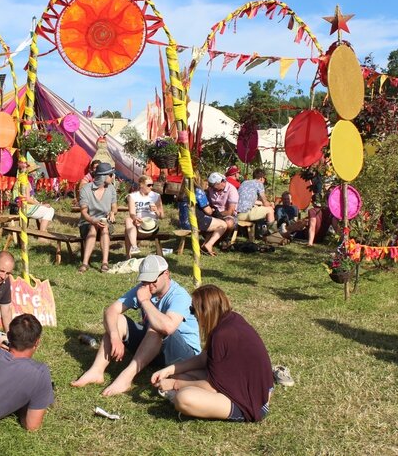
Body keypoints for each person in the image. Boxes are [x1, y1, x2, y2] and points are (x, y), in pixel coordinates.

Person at [71, 255, 201, 396]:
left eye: (153, 280)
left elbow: (167, 327)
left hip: (185, 357)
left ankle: (126, 377)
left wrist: (145, 301)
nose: (148, 285)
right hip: (155, 348)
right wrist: (115, 337)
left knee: (156, 327)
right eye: (145, 281)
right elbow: (111, 311)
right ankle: (96, 371)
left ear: (166, 274)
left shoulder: (179, 296)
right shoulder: (144, 288)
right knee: (118, 320)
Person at [151, 284, 273, 422]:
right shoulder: (231, 319)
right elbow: (204, 359)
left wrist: (175, 384)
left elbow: (212, 386)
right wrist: (169, 370)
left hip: (251, 402)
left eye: (193, 309)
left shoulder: (221, 335)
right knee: (180, 375)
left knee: (183, 399)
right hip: (252, 387)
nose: (192, 314)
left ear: (205, 310)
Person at [77, 162, 117, 273]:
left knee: (104, 227)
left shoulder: (111, 189)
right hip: (87, 223)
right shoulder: (86, 189)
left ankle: (104, 263)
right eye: (110, 175)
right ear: (103, 176)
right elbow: (84, 213)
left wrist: (112, 213)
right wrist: (93, 220)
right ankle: (85, 263)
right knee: (93, 227)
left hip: (105, 223)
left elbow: (114, 208)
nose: (112, 177)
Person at [124, 175, 164, 257]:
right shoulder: (133, 196)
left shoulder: (156, 196)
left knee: (127, 231)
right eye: (149, 185)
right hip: (139, 226)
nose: (151, 187)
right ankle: (134, 248)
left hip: (151, 226)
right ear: (141, 185)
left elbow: (162, 216)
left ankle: (129, 256)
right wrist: (135, 218)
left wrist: (156, 210)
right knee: (128, 220)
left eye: (152, 185)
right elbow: (132, 213)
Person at [13, 159, 55, 231]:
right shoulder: (25, 181)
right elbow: (28, 199)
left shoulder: (23, 180)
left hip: (24, 206)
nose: (36, 173)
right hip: (24, 207)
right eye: (34, 171)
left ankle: (42, 231)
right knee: (50, 210)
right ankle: (42, 234)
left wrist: (40, 203)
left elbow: (31, 197)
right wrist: (41, 205)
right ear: (30, 172)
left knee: (47, 208)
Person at [236, 168, 277, 233]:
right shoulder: (259, 184)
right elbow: (265, 203)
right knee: (270, 210)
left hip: (237, 214)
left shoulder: (244, 182)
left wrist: (261, 203)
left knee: (261, 208)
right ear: (261, 178)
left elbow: (250, 200)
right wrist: (271, 204)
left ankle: (261, 232)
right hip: (245, 213)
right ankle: (273, 234)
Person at [206, 172, 238, 239]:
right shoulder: (211, 189)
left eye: (213, 185)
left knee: (229, 222)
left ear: (221, 182)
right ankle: (211, 239)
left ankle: (224, 238)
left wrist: (217, 214)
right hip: (213, 212)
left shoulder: (232, 190)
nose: (211, 187)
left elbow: (230, 211)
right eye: (211, 185)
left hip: (227, 215)